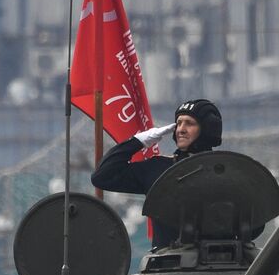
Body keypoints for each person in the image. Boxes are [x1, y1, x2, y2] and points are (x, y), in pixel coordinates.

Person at [89, 99, 224, 248]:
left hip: (219, 260)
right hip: (166, 263)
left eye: (189, 123)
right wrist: (138, 141)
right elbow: (103, 176)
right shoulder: (158, 169)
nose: (181, 129)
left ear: (207, 129)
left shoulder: (225, 171)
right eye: (178, 123)